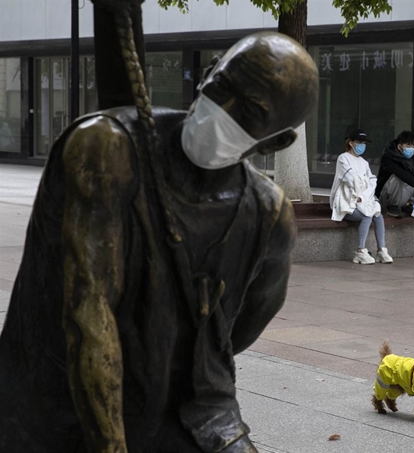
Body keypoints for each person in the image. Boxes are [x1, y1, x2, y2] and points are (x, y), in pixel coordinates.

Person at [0, 31, 318, 453]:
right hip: (62, 403)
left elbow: (238, 331)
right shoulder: (107, 148)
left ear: (276, 141)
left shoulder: (267, 213)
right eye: (222, 86)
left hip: (190, 409)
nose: (221, 110)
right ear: (207, 74)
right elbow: (88, 314)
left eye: (250, 110)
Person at [330, 129, 393, 264]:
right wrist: (362, 186)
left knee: (378, 214)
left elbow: (372, 181)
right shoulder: (343, 158)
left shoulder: (364, 163)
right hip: (345, 202)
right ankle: (360, 251)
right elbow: (350, 179)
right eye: (359, 142)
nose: (362, 146)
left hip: (362, 201)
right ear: (351, 143)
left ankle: (381, 249)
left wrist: (363, 196)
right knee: (367, 215)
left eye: (364, 143)